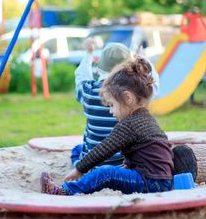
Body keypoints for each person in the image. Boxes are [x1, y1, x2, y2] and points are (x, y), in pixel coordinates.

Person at [40, 57, 174, 195]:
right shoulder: (146, 118)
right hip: (160, 180)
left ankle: (64, 191)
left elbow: (104, 149)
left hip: (151, 182)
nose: (110, 111)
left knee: (105, 172)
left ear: (128, 98)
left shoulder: (129, 124)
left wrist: (79, 169)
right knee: (100, 164)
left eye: (112, 105)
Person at [70, 40, 159, 168]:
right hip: (124, 164)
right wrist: (143, 59)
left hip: (92, 164)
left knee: (77, 151)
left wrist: (88, 54)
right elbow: (154, 84)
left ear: (99, 68)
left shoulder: (88, 91)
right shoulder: (135, 95)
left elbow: (81, 75)